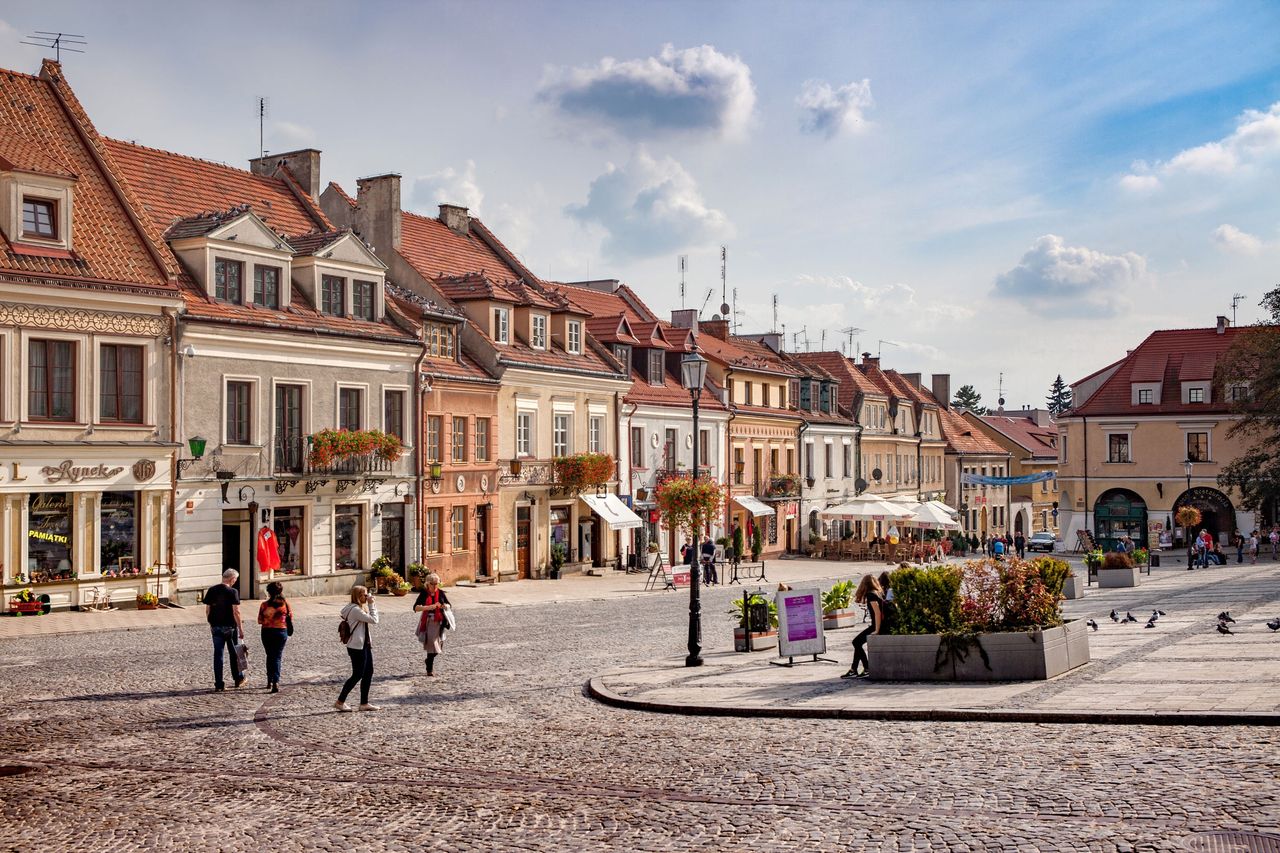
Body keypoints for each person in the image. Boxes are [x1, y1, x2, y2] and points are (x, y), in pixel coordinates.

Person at [335, 585, 379, 711]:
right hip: (357, 646)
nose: (368, 596)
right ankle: (340, 701)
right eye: (365, 595)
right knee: (358, 674)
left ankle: (364, 703)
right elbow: (374, 620)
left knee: (368, 672)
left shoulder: (355, 608)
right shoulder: (355, 610)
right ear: (359, 596)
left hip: (364, 644)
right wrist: (371, 605)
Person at [203, 569, 245, 692]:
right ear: (232, 579)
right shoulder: (233, 592)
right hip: (230, 627)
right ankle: (238, 679)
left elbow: (207, 610)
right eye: (235, 579)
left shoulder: (212, 590)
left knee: (218, 655)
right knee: (234, 653)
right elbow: (236, 612)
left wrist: (211, 624)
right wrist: (241, 628)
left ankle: (219, 684)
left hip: (216, 626)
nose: (235, 582)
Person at [842, 574, 885, 679]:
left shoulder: (871, 595)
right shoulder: (878, 593)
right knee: (858, 643)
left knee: (856, 642)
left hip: (876, 626)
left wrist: (877, 630)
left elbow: (877, 613)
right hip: (877, 625)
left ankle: (866, 668)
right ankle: (854, 669)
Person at [413, 572, 451, 677]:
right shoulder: (424, 593)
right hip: (429, 621)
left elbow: (448, 605)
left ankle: (428, 661)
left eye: (437, 583)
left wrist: (444, 606)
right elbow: (415, 608)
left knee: (438, 647)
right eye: (433, 584)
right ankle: (429, 668)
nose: (435, 586)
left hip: (440, 621)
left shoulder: (441, 593)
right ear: (428, 584)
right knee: (432, 645)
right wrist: (429, 607)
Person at [257, 581, 291, 693]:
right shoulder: (285, 604)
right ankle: (276, 681)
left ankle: (269, 680)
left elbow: (260, 620)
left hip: (267, 632)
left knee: (269, 655)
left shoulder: (264, 605)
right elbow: (290, 617)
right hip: (281, 631)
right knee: (277, 656)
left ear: (269, 592)